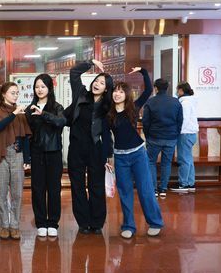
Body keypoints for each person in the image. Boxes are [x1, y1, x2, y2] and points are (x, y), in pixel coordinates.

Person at [108, 67, 164, 239]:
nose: (117, 94)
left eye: (121, 92)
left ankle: (155, 222)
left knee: (145, 189)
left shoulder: (133, 108)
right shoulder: (109, 114)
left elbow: (148, 90)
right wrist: (108, 157)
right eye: (115, 91)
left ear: (126, 95)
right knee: (124, 192)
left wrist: (143, 72)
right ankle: (128, 225)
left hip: (138, 154)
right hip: (120, 157)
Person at [66, 60, 114, 235]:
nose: (97, 84)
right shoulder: (81, 94)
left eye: (102, 83)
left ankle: (97, 222)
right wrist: (91, 62)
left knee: (96, 185)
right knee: (77, 185)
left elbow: (107, 133)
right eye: (96, 81)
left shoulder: (107, 107)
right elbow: (74, 73)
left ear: (106, 89)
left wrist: (109, 154)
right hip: (76, 147)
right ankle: (83, 222)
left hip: (95, 148)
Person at [0, 82, 31, 241]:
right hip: (1, 154)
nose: (16, 95)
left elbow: (25, 137)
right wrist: (14, 113)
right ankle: (4, 225)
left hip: (17, 153)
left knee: (17, 193)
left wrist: (27, 159)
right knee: (1, 193)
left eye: (17, 93)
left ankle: (15, 225)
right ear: (3, 94)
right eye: (12, 92)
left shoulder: (20, 112)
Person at [25, 74, 66, 238]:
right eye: (37, 87)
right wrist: (27, 157)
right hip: (37, 153)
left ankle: (53, 222)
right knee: (38, 189)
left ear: (49, 88)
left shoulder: (57, 107)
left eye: (43, 86)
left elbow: (61, 122)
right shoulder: (30, 109)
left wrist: (43, 114)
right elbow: (27, 134)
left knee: (54, 189)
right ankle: (41, 222)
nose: (39, 90)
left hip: (54, 152)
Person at [142, 78, 183, 198]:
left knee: (151, 162)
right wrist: (175, 134)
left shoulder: (150, 102)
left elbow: (145, 122)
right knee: (166, 163)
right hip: (171, 137)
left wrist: (147, 135)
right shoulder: (176, 102)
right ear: (167, 88)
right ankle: (163, 189)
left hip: (154, 137)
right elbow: (180, 120)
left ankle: (154, 189)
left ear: (155, 88)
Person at [173, 82, 198, 193]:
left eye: (177, 90)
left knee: (183, 159)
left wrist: (178, 131)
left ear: (181, 90)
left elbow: (184, 119)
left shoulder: (185, 103)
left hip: (185, 134)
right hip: (191, 134)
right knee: (188, 159)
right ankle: (190, 183)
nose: (176, 92)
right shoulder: (190, 101)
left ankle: (183, 184)